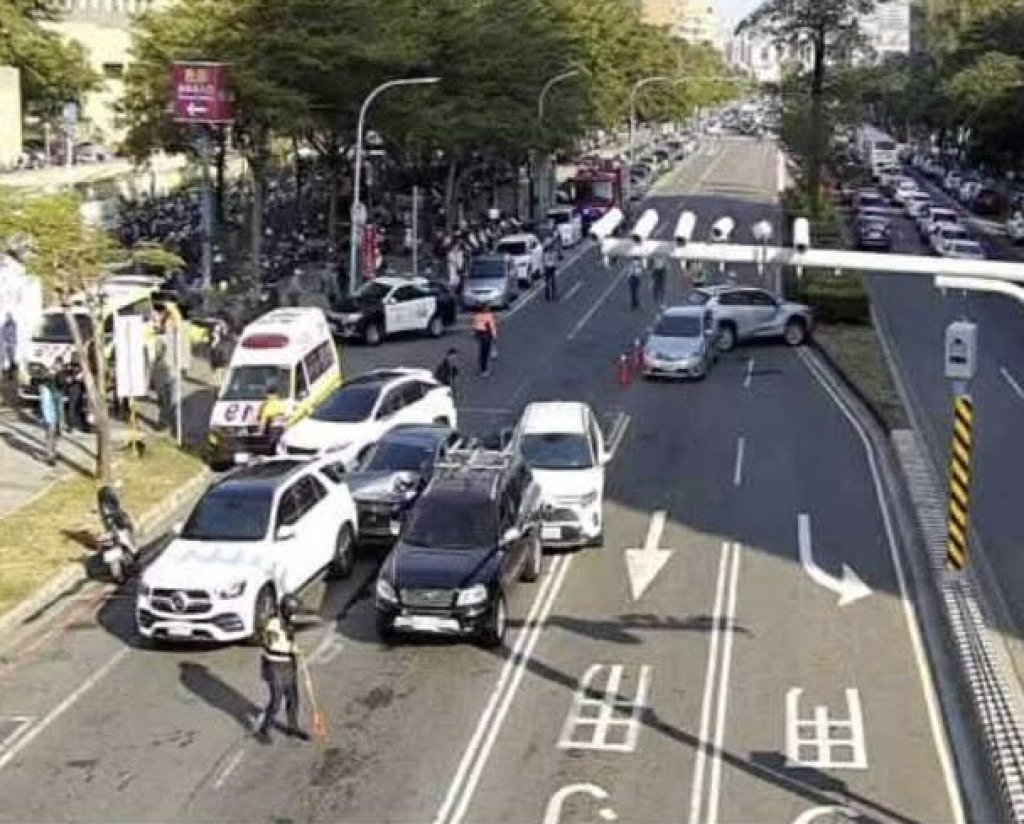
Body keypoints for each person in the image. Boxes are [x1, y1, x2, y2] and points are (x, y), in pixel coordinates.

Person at [255, 594, 309, 743]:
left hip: (288, 664)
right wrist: (293, 650)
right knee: (276, 701)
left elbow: (289, 640)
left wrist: (295, 649)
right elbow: (273, 646)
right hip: (275, 667)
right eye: (293, 612)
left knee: (293, 698)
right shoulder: (273, 624)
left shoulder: (287, 621)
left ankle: (293, 727)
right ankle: (264, 729)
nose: (294, 615)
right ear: (286, 610)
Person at [38, 368, 61, 467]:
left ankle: (53, 453)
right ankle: (50, 456)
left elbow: (58, 404)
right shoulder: (46, 390)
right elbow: (45, 406)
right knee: (50, 436)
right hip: (50, 417)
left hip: (55, 416)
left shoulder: (54, 389)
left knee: (55, 436)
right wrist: (47, 419)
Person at [471, 306, 498, 377]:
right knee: (485, 352)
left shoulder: (478, 316)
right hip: (486, 335)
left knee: (483, 352)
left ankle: (483, 367)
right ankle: (484, 368)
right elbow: (492, 327)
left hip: (482, 335)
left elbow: (475, 326)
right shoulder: (488, 316)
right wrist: (494, 336)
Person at [1, 312, 17, 381]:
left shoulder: (14, 325)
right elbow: (2, 335)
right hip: (6, 344)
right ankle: (6, 371)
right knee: (5, 358)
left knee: (11, 358)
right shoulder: (4, 326)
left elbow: (15, 335)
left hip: (12, 344)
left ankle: (11, 372)